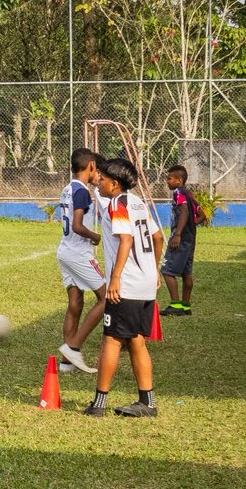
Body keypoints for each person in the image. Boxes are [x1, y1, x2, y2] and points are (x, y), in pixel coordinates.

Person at [86, 158, 163, 417]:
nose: (99, 182)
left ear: (115, 184)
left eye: (103, 179)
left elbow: (126, 240)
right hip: (145, 284)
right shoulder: (138, 202)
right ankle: (147, 402)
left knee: (111, 340)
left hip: (127, 284)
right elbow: (157, 237)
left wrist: (116, 277)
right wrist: (154, 270)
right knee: (137, 341)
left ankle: (98, 405)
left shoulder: (117, 203)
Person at [55, 147, 107, 374]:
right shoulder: (82, 191)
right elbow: (77, 225)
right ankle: (73, 348)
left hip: (64, 251)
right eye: (97, 169)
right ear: (91, 166)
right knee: (107, 297)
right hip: (78, 253)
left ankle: (66, 364)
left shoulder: (67, 188)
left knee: (75, 304)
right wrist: (94, 236)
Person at [160, 162, 204, 316]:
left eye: (169, 178)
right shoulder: (189, 194)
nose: (167, 181)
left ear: (179, 180)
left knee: (166, 270)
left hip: (180, 238)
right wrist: (190, 225)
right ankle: (185, 306)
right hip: (190, 238)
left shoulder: (178, 192)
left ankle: (175, 305)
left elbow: (184, 211)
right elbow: (202, 215)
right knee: (186, 272)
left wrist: (178, 234)